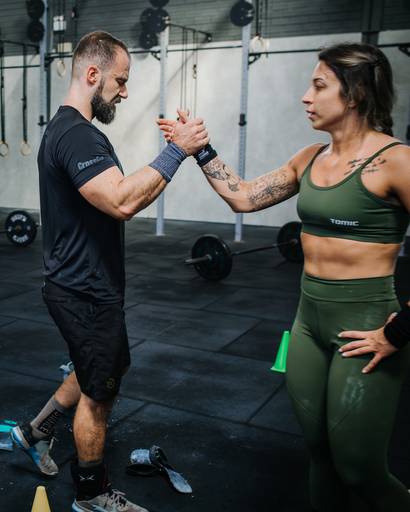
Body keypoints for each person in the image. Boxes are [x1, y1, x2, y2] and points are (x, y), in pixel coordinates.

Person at [158, 43, 410, 511]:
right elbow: (244, 196)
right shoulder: (310, 158)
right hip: (308, 323)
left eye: (319, 86)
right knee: (319, 454)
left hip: (368, 327)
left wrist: (398, 332)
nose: (305, 97)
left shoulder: (398, 162)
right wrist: (198, 149)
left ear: (355, 93)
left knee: (359, 468)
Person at [11, 31, 208, 512]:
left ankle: (34, 433)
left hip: (82, 284)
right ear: (93, 74)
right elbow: (121, 200)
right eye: (120, 80)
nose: (124, 92)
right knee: (99, 396)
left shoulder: (68, 130)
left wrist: (178, 149)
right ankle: (92, 495)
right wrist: (178, 150)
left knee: (101, 368)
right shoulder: (76, 134)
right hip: (83, 290)